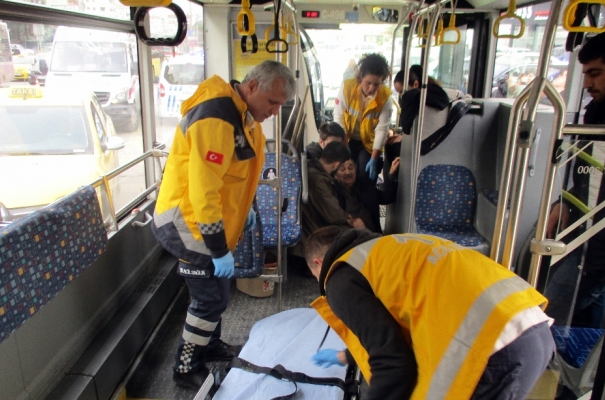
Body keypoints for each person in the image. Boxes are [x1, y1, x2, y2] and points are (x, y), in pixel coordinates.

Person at [151, 60, 296, 390]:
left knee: (216, 293)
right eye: (272, 102)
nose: (275, 111)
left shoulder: (244, 117)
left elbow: (240, 176)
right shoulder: (217, 116)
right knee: (210, 299)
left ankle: (209, 345)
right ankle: (186, 366)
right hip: (187, 223)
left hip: (208, 222)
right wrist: (217, 249)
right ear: (253, 87)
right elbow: (204, 189)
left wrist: (248, 212)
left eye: (281, 105)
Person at [305, 226, 555, 400]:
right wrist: (346, 356)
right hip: (532, 326)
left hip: (493, 352)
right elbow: (406, 321)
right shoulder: (391, 248)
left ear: (318, 264)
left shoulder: (339, 279)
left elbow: (394, 366)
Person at [544, 28, 605, 329]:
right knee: (583, 329)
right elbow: (587, 172)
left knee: (543, 320)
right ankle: (571, 373)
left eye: (596, 73)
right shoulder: (596, 113)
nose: (588, 83)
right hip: (580, 235)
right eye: (585, 74)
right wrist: (564, 201)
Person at [333, 53, 393, 183]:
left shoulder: (385, 97)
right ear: (361, 77)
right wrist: (343, 144)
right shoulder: (347, 88)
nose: (371, 88)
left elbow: (382, 129)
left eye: (377, 84)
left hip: (368, 144)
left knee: (363, 175)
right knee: (344, 175)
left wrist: (374, 158)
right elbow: (339, 117)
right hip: (347, 139)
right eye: (368, 83)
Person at [299, 141, 362, 244]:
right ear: (336, 165)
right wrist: (348, 218)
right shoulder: (317, 179)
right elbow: (332, 213)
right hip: (311, 235)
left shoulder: (309, 167)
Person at [334, 158, 399, 233]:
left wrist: (391, 174)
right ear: (335, 175)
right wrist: (349, 221)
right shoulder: (333, 194)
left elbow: (387, 197)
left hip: (374, 237)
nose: (348, 172)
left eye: (351, 168)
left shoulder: (365, 186)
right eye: (342, 169)